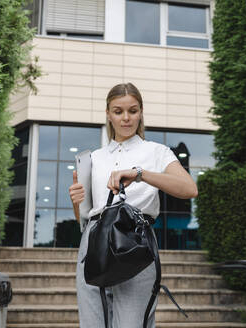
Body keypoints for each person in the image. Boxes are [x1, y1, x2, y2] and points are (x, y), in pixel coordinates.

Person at [69, 82, 198, 328]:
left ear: (141, 112)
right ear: (108, 114)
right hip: (94, 241)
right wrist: (76, 202)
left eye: (133, 110)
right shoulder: (92, 158)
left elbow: (190, 189)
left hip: (134, 239)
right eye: (118, 112)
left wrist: (141, 174)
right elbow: (84, 217)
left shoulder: (157, 152)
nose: (126, 118)